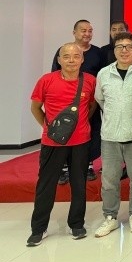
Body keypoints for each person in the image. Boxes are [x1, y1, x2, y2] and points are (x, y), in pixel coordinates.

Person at [27, 42, 97, 246]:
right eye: (66, 56)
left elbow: (92, 105)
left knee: (79, 184)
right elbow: (35, 107)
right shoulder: (46, 80)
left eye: (76, 56)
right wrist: (49, 127)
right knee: (46, 185)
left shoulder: (90, 81)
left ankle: (76, 224)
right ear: (59, 60)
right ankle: (38, 228)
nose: (71, 60)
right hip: (52, 143)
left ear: (82, 59)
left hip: (81, 141)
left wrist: (80, 124)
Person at [94, 32, 132, 237]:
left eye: (129, 46)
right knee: (109, 180)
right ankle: (110, 217)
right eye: (120, 47)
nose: (124, 50)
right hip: (110, 136)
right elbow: (100, 100)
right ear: (114, 50)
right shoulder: (103, 73)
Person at [51, 19, 105, 184]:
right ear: (74, 32)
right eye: (83, 30)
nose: (87, 34)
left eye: (90, 30)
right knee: (64, 130)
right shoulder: (63, 50)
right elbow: (55, 74)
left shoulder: (98, 53)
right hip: (65, 100)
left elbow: (103, 75)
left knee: (91, 132)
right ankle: (63, 169)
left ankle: (88, 166)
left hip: (90, 101)